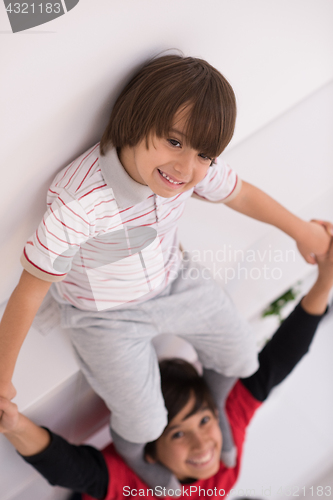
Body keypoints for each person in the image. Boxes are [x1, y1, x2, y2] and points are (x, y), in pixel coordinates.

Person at [0, 54, 330, 486]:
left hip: (174, 281)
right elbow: (29, 291)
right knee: (144, 423)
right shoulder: (81, 202)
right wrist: (3, 379)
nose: (187, 169)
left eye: (204, 154)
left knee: (242, 356)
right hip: (105, 315)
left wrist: (300, 231)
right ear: (134, 121)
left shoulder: (189, 173)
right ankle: (141, 455)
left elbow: (239, 193)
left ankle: (215, 405)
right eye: (174, 142)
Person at [1, 239, 333, 499]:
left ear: (152, 457)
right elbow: (278, 362)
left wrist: (13, 423)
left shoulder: (140, 489)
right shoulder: (223, 471)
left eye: (184, 430)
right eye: (194, 425)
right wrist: (325, 281)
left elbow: (72, 470)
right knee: (241, 358)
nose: (202, 444)